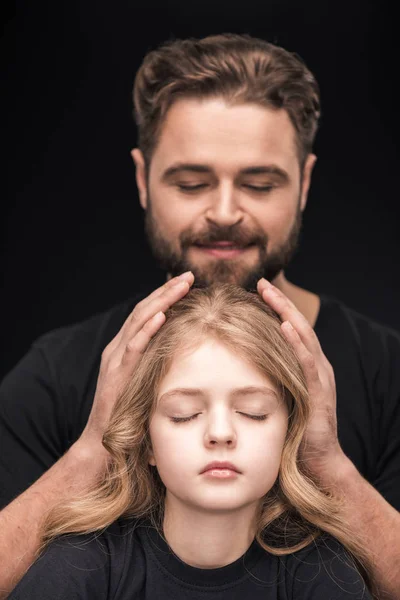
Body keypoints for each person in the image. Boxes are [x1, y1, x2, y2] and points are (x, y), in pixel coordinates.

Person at [0, 33, 399, 599]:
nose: (225, 211)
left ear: (305, 182)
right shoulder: (57, 372)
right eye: (191, 183)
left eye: (260, 184)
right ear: (142, 179)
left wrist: (328, 466)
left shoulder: (387, 372)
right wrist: (92, 452)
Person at [9, 285, 375, 599]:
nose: (220, 433)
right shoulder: (81, 562)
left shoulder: (322, 570)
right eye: (184, 413)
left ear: (290, 434)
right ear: (145, 439)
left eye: (253, 412)